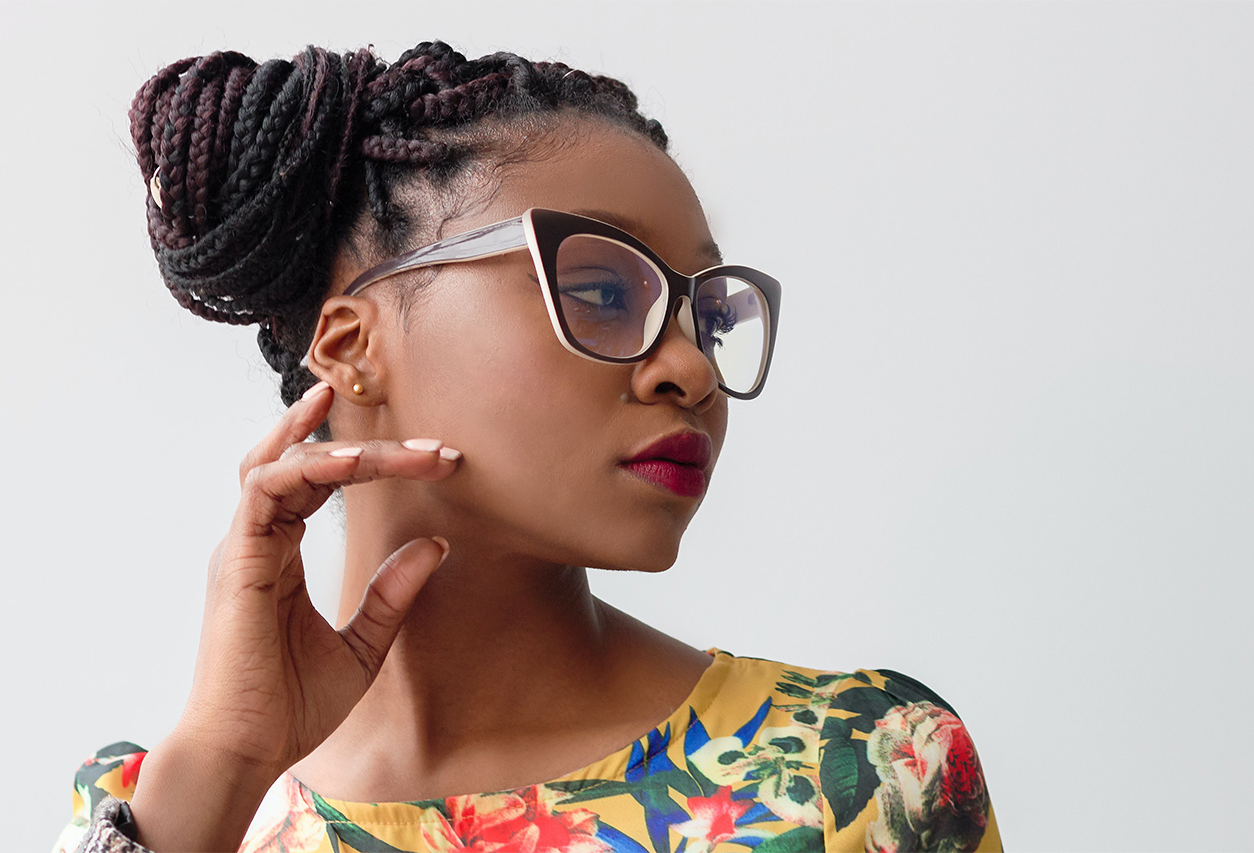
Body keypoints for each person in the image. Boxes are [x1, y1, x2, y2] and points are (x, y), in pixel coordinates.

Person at [53, 41, 1001, 853]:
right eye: (600, 290)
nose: (692, 371)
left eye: (705, 317)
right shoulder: (165, 812)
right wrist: (221, 766)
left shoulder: (862, 770)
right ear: (352, 348)